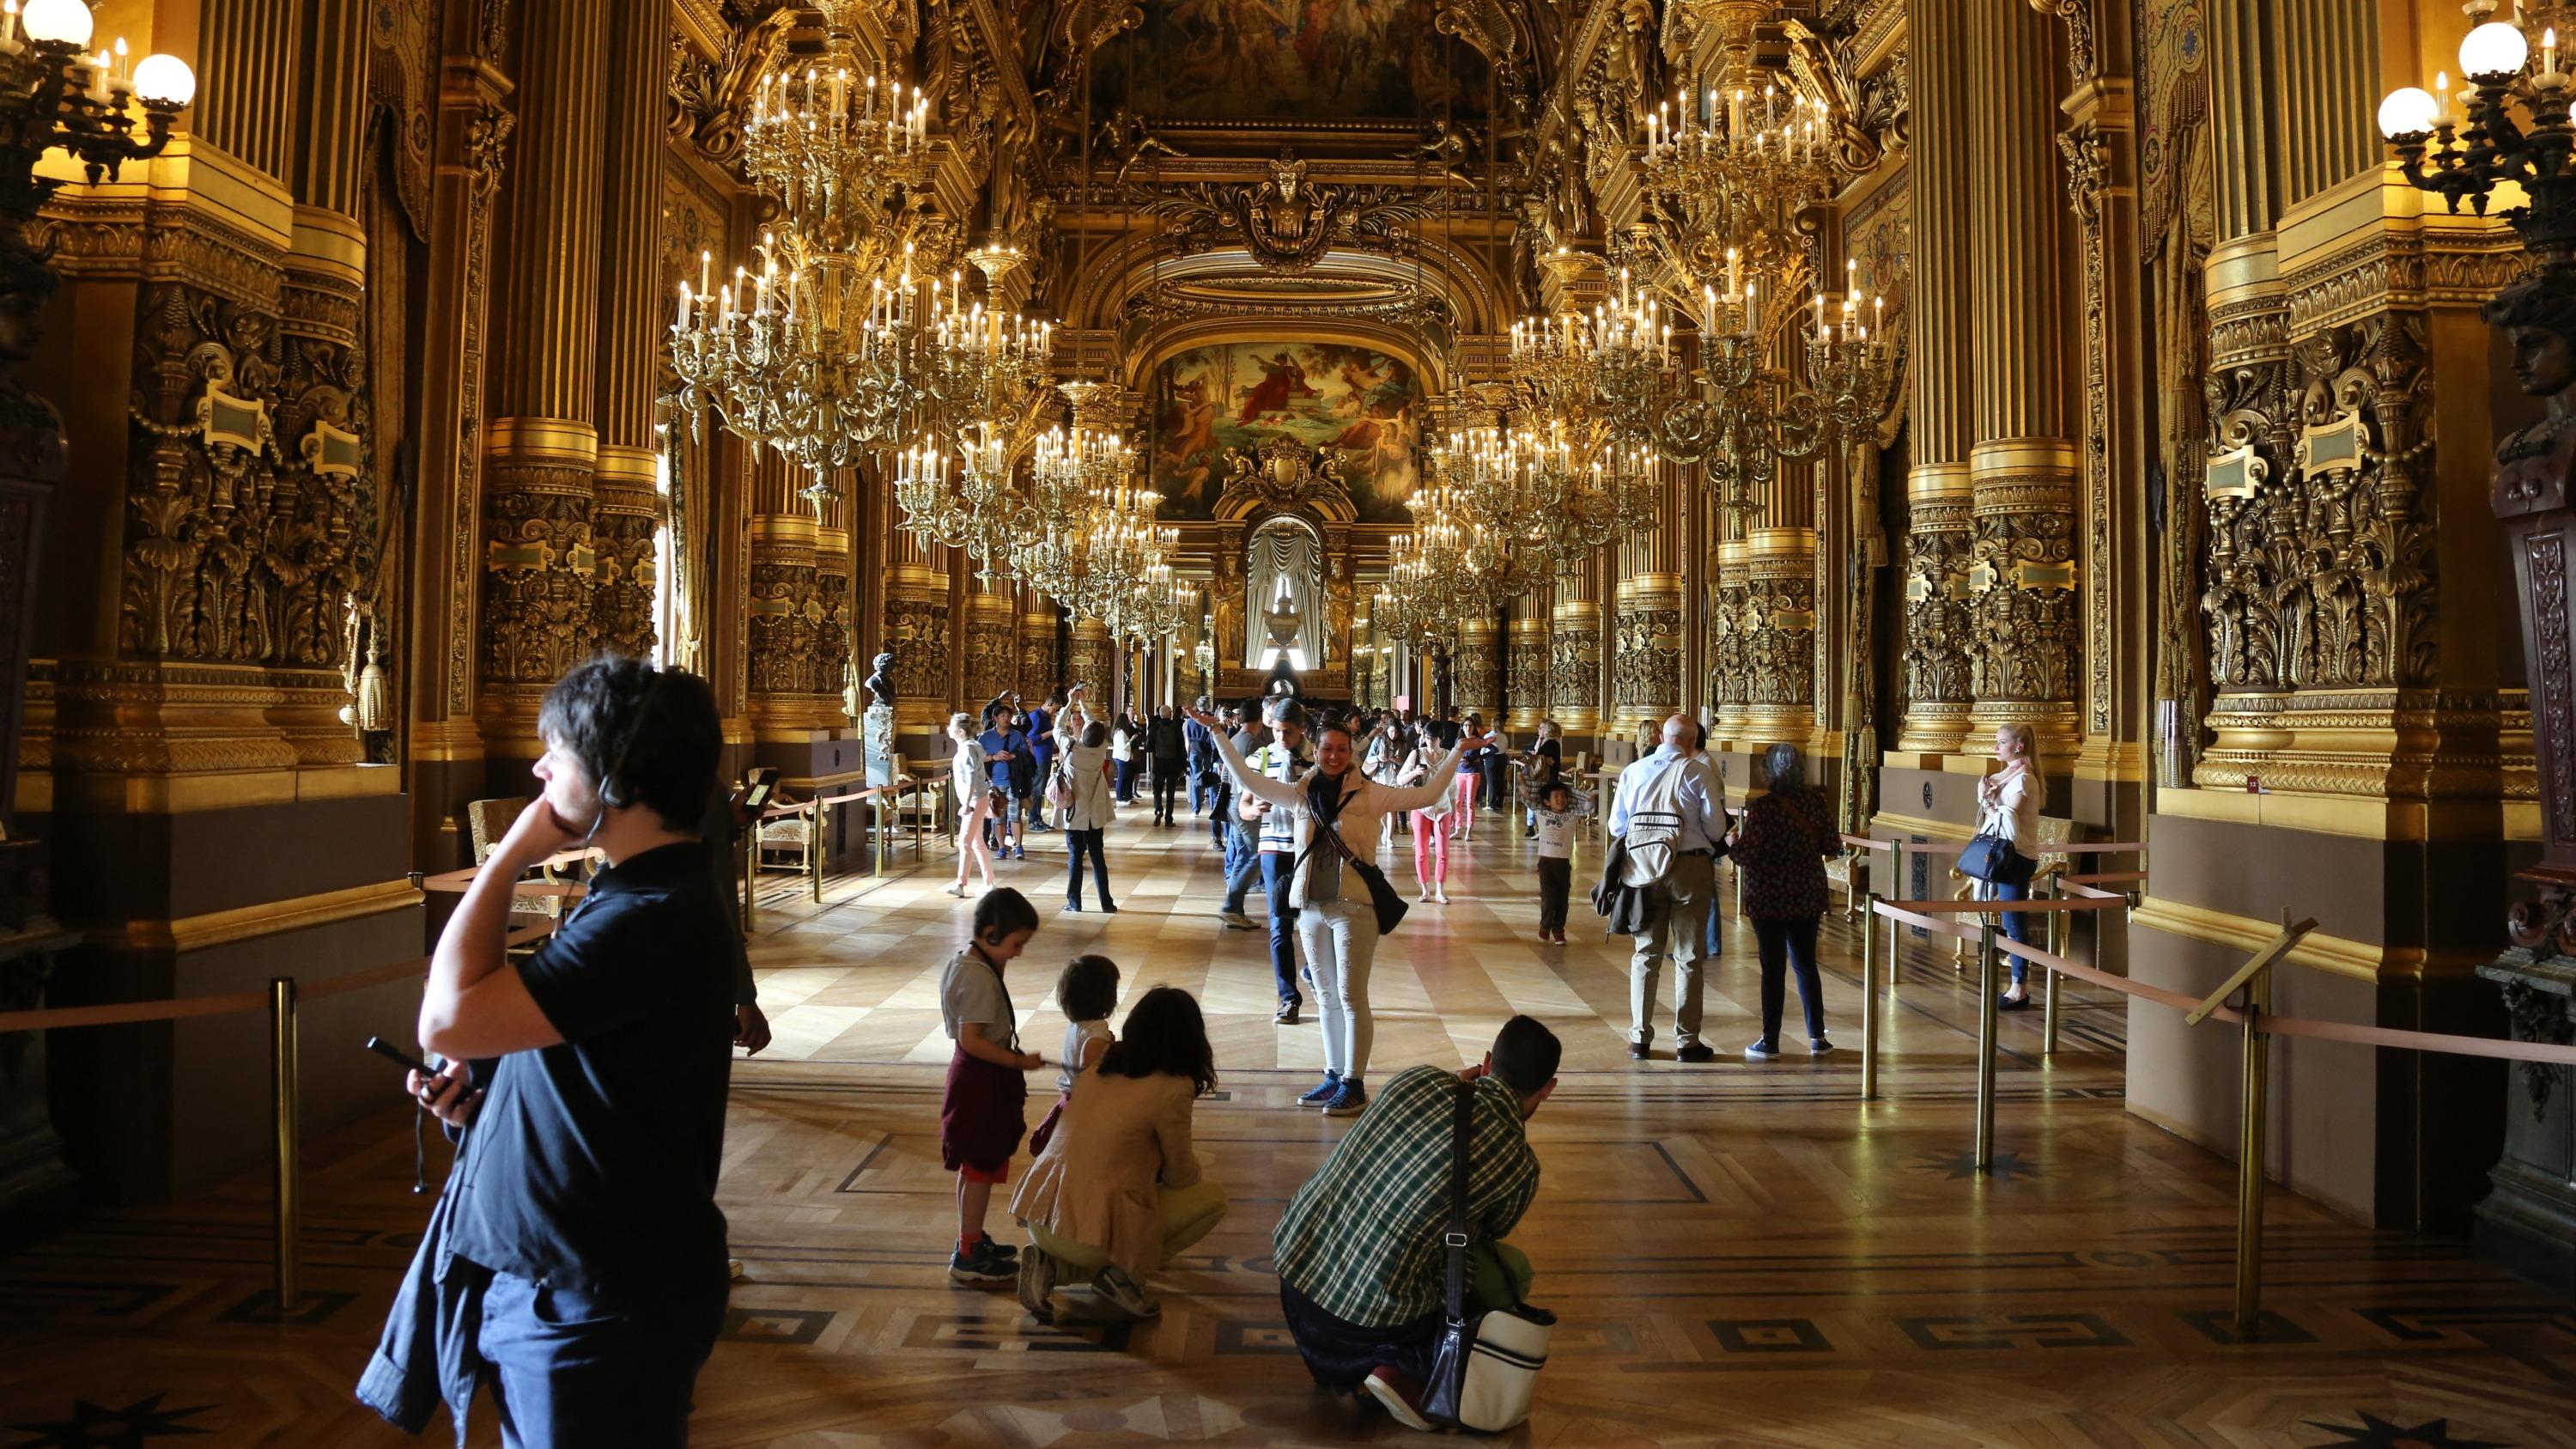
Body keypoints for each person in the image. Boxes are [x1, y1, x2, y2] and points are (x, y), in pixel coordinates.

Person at [375, 657, 735, 1446]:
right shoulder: (639, 895)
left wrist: (508, 852)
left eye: (556, 754)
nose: (538, 770)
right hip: (574, 1285)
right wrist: (488, 1104)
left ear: (614, 779)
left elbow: (444, 1018)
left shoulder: (648, 915)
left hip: (593, 1305)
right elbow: (606, 1080)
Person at [1190, 703, 1485, 1115]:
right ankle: (1332, 1076)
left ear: (1352, 753)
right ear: (1317, 750)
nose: (1333, 756)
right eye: (1327, 748)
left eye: (1342, 750)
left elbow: (1428, 794)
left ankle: (1354, 1082)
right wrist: (1218, 733)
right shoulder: (1300, 792)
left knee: (1350, 995)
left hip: (1355, 906)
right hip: (1311, 904)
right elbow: (1247, 778)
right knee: (1325, 994)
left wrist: (1457, 752)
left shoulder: (1371, 793)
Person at [1272, 1017, 1562, 1432]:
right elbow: (1486, 1235)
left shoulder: (1416, 1079)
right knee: (1510, 1269)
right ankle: (1404, 1369)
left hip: (1294, 1279)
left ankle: (1364, 1369)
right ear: (1548, 1088)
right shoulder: (1519, 1165)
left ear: (1486, 1061)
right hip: (1364, 1324)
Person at [1012, 985, 1229, 1321]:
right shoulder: (1174, 1087)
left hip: (1041, 1216)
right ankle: (1123, 1276)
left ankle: (1052, 1267)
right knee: (1211, 1199)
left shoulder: (1102, 1061)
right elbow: (1181, 1174)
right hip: (1086, 1233)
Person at [941, 888, 1046, 1284]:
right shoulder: (977, 976)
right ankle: (968, 1254)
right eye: (1016, 944)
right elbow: (973, 1040)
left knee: (974, 1165)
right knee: (981, 1166)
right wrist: (1020, 1063)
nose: (1018, 953)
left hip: (976, 1076)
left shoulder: (967, 961)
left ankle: (970, 1239)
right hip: (980, 1080)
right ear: (991, 932)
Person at [1608, 714, 1728, 1063]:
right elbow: (1718, 830)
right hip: (1689, 868)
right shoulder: (1698, 772)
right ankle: (1687, 1041)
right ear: (1692, 742)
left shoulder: (1634, 771)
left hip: (1644, 868)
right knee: (1689, 955)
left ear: (1662, 736)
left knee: (1646, 953)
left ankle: (1639, 1039)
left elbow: (1618, 824)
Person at [1727, 743, 1838, 1057]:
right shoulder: (1815, 803)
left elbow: (1747, 855)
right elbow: (1832, 844)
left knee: (1773, 969)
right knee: (1806, 965)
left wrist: (1732, 843)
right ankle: (1817, 1037)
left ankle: (1770, 1039)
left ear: (1769, 772)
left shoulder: (1764, 808)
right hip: (1806, 893)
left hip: (1770, 896)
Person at [1241, 698, 1315, 1022]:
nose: (1281, 738)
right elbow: (1242, 806)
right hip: (1273, 848)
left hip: (1309, 849)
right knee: (1279, 925)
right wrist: (1253, 810)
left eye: (1288, 732)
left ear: (1301, 729)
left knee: (1315, 919)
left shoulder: (1318, 758)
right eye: (1276, 731)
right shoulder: (1261, 758)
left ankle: (1314, 970)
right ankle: (1288, 998)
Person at [1982, 722, 2047, 1012]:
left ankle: (2019, 986)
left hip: (2017, 856)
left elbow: (2009, 820)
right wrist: (1988, 794)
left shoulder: (2024, 780)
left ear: (2018, 746)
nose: (1996, 747)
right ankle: (2017, 982)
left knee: (2013, 921)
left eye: (2001, 742)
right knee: (2009, 919)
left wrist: (1990, 798)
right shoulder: (2006, 777)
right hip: (2006, 854)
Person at [1029, 954, 1120, 1160]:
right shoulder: (1095, 1034)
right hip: (1085, 1109)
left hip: (1072, 1103)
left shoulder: (1077, 1026)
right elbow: (1091, 1079)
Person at [1056, 716, 1118, 912]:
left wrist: (1071, 702)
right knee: (1098, 857)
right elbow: (1094, 725)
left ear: (1083, 733)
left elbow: (1058, 726)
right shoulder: (1101, 749)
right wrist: (1083, 704)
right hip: (1094, 815)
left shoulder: (1071, 749)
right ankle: (1107, 903)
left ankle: (1075, 903)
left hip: (1074, 813)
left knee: (1075, 856)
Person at [1530, 777, 1593, 945]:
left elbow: (1587, 808)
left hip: (1563, 864)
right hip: (1546, 863)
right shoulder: (1541, 813)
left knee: (1562, 900)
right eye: (1556, 796)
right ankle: (1545, 927)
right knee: (1549, 898)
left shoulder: (1571, 816)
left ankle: (1558, 930)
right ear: (1547, 801)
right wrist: (1523, 780)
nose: (1560, 799)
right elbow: (1528, 796)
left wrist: (1586, 798)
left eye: (1563, 796)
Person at [1398, 737, 1458, 905]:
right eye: (1426, 737)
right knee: (1422, 851)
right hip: (1421, 807)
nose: (1429, 741)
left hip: (1443, 808)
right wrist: (1415, 773)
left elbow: (1453, 786)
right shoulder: (1416, 754)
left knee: (1443, 852)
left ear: (1440, 738)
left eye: (1432, 738)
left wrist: (1453, 811)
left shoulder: (1449, 756)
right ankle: (1425, 890)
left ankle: (1440, 890)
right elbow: (1400, 779)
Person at [947, 711, 997, 897]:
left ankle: (961, 884)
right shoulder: (972, 747)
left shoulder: (968, 749)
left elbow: (971, 777)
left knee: (964, 842)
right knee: (977, 843)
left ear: (959, 731)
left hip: (975, 800)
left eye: (951, 726)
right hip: (978, 799)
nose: (948, 729)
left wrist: (966, 803)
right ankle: (988, 882)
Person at [976, 709, 1026, 861]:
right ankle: (1002, 847)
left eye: (1009, 716)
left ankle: (1019, 847)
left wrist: (1013, 756)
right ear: (995, 718)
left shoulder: (1017, 735)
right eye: (1003, 715)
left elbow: (1026, 755)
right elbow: (978, 758)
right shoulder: (985, 737)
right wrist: (993, 757)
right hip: (995, 783)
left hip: (1013, 781)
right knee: (998, 818)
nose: (1006, 718)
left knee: (1015, 816)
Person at [1363, 715, 1411, 847]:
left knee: (1392, 809)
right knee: (1381, 809)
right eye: (1391, 731)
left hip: (1395, 778)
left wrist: (1399, 761)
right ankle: (1385, 830)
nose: (1394, 734)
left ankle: (1389, 837)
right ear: (1387, 730)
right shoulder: (1378, 741)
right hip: (1380, 777)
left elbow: (1406, 763)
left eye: (1396, 732)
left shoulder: (1402, 743)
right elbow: (1368, 759)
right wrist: (1379, 758)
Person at [1520, 721, 1564, 837]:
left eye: (1543, 729)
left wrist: (1538, 756)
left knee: (1542, 804)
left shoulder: (1551, 743)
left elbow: (1540, 756)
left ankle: (1544, 829)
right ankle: (1539, 828)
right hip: (1546, 777)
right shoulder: (1550, 742)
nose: (1541, 731)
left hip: (1546, 777)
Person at [1024, 694, 1060, 831]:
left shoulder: (1045, 717)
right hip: (1038, 758)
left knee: (1040, 791)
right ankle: (1033, 820)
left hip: (1045, 758)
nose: (1054, 712)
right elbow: (1031, 739)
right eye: (1054, 709)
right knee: (1036, 790)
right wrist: (1051, 732)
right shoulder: (1036, 716)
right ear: (1049, 703)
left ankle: (1038, 818)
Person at [1148, 704, 1187, 825]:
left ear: (1160, 714)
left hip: (1159, 763)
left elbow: (1148, 746)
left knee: (1157, 790)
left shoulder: (1155, 728)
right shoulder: (1176, 727)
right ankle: (1169, 819)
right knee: (1171, 793)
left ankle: (1159, 809)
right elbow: (1181, 748)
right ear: (1170, 714)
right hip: (1173, 764)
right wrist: (1184, 765)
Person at [1183, 695, 1218, 819]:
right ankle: (1213, 807)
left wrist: (1188, 754)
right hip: (1207, 751)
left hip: (1193, 750)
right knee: (1211, 779)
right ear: (1208, 706)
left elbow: (1188, 738)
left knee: (1195, 779)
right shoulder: (1209, 719)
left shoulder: (1190, 721)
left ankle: (1195, 809)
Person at [1109, 708, 1140, 803]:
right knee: (1122, 777)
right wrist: (1131, 740)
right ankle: (1119, 797)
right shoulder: (1119, 732)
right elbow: (1123, 746)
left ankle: (1128, 796)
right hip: (1121, 757)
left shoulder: (1121, 731)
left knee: (1128, 776)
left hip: (1125, 757)